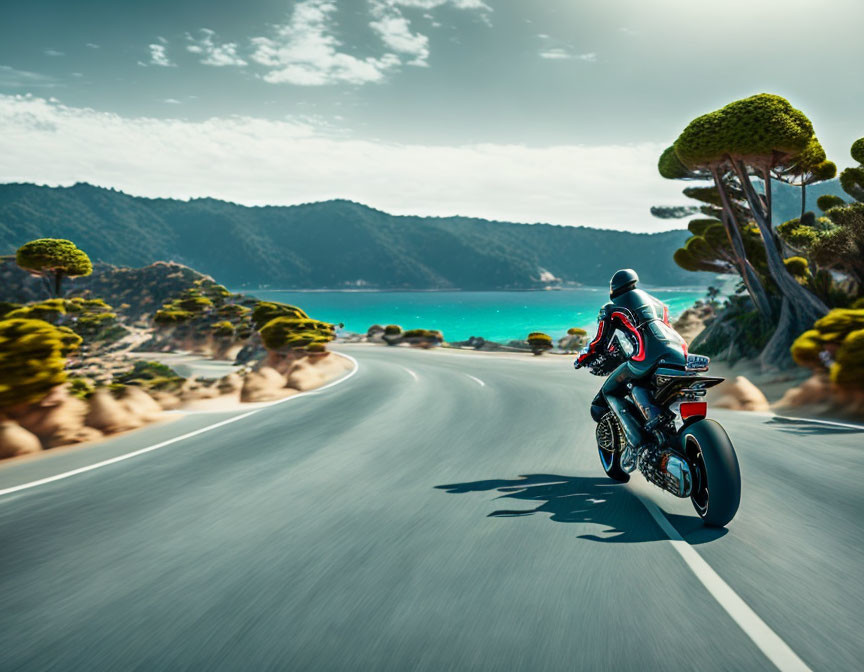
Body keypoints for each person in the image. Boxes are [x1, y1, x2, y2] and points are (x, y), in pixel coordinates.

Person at [574, 268, 689, 450]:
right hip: (681, 355)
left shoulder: (611, 308)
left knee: (610, 392)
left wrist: (581, 358)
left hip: (647, 357)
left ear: (613, 289)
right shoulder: (659, 304)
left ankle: (639, 442)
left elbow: (599, 342)